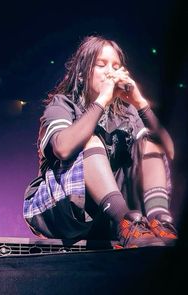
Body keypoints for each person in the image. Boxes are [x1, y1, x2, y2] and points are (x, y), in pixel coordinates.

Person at [23, 35, 178, 248]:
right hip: (67, 211)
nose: (110, 72)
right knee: (90, 140)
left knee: (150, 143)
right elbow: (63, 148)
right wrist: (102, 100)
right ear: (83, 72)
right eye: (101, 65)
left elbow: (168, 150)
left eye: (116, 66)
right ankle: (124, 221)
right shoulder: (63, 105)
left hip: (112, 216)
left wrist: (140, 103)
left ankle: (158, 221)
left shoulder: (127, 113)